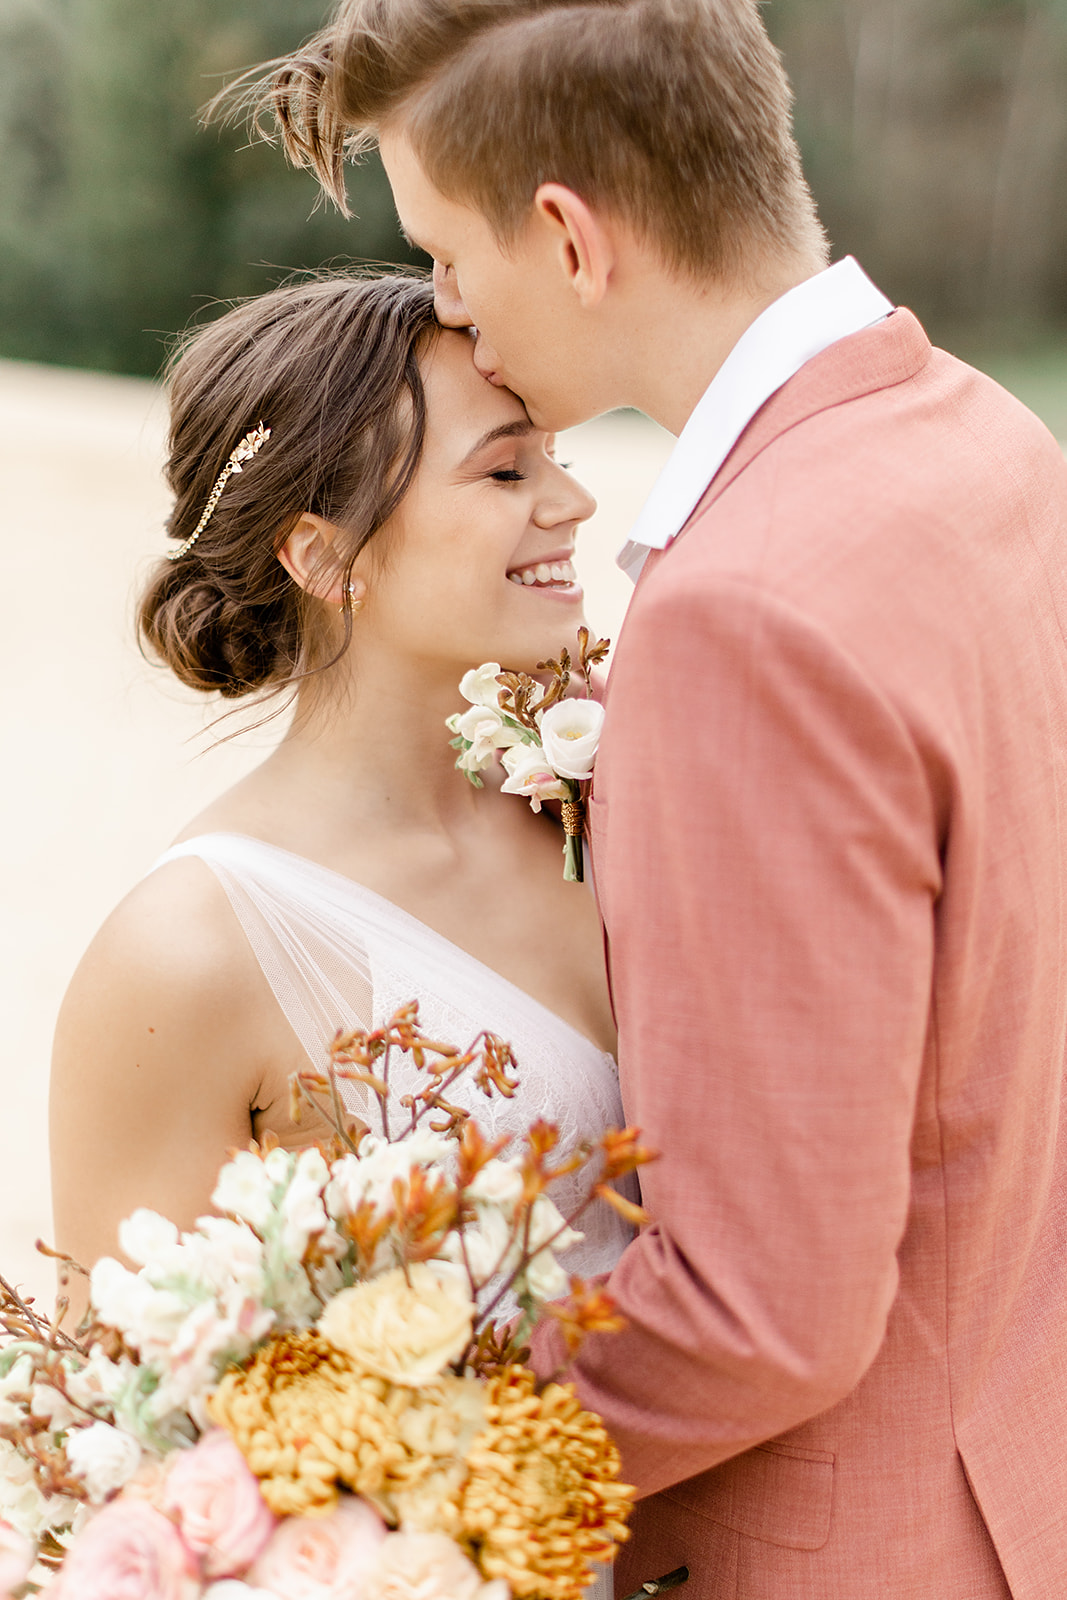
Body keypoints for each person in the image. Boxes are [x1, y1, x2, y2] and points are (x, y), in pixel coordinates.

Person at [247, 1, 1067, 1595]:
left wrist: (354, 1502)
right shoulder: (985, 441)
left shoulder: (738, 608)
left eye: (443, 255)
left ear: (564, 234)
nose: (449, 310)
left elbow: (763, 1313)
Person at [49, 272, 631, 1334]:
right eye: (505, 469)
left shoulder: (609, 804)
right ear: (321, 554)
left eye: (555, 457)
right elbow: (126, 1411)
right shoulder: (186, 954)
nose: (570, 503)